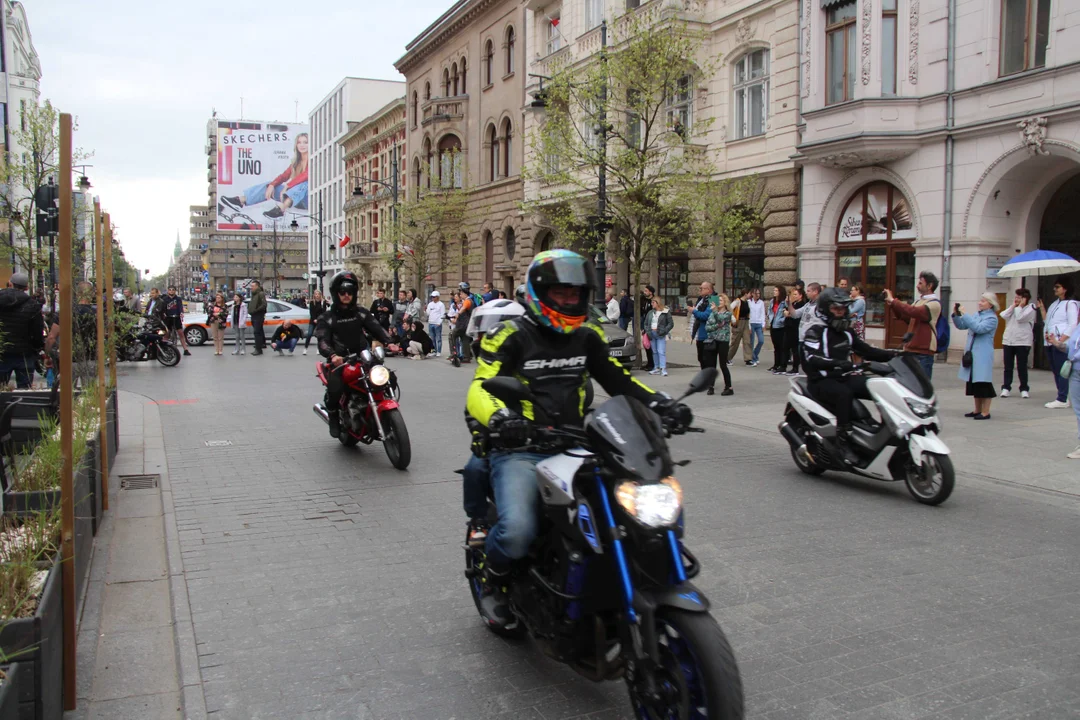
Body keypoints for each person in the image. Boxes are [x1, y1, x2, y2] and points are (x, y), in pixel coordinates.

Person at [465, 249, 681, 629]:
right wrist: (502, 417)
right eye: (560, 293)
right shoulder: (509, 335)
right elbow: (480, 388)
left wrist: (661, 404)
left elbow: (619, 381)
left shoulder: (587, 335)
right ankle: (493, 582)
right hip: (522, 448)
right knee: (517, 531)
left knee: (643, 511)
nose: (569, 300)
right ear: (538, 292)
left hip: (579, 444)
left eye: (576, 294)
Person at [802, 288, 896, 464]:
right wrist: (837, 363)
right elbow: (811, 358)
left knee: (876, 385)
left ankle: (887, 429)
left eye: (843, 309)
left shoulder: (847, 332)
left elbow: (866, 351)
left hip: (844, 376)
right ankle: (842, 443)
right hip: (822, 381)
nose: (840, 312)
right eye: (836, 309)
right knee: (843, 394)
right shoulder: (815, 332)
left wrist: (894, 354)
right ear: (825, 309)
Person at [316, 271, 392, 438]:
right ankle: (334, 416)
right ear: (336, 294)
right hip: (341, 361)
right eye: (342, 292)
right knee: (335, 387)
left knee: (388, 377)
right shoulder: (327, 318)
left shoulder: (361, 313)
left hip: (364, 357)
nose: (346, 295)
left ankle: (382, 406)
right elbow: (322, 340)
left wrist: (390, 342)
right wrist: (332, 355)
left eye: (349, 292)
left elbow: (376, 328)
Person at [219, 132, 309, 219]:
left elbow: (306, 175)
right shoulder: (295, 163)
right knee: (270, 185)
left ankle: (280, 210)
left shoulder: (314, 160)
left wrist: (287, 186)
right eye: (299, 142)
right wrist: (272, 185)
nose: (302, 145)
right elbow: (284, 176)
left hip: (308, 200)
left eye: (305, 142)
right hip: (294, 199)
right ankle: (240, 201)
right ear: (296, 145)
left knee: (305, 183)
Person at [885, 271, 942, 379]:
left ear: (930, 286)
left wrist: (894, 301)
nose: (917, 286)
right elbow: (906, 316)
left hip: (923, 352)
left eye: (920, 283)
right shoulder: (918, 301)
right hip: (911, 349)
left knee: (922, 386)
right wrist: (893, 306)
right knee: (910, 384)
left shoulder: (934, 304)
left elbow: (913, 311)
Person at [953, 293, 1001, 420]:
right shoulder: (977, 315)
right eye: (980, 300)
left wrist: (965, 315)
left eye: (983, 301)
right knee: (974, 382)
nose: (980, 303)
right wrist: (957, 315)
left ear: (991, 304)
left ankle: (986, 411)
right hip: (972, 353)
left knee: (983, 383)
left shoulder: (992, 318)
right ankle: (977, 410)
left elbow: (978, 328)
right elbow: (962, 325)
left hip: (982, 354)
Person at [1040, 276, 1079, 409]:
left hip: (1061, 343)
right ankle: (1063, 395)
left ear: (1065, 289)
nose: (1054, 289)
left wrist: (1060, 340)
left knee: (1062, 370)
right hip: (1050, 342)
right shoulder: (1054, 304)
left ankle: (1062, 397)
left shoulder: (1071, 304)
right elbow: (1050, 322)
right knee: (1056, 370)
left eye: (1057, 287)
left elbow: (1073, 324)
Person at [0, 273, 44, 388]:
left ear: (10, 284)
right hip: (25, 352)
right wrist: (38, 348)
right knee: (25, 389)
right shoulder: (32, 305)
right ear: (26, 288)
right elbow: (37, 331)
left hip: (2, 351)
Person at [1049, 322, 1080, 458]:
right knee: (1079, 409)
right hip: (1075, 371)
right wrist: (1057, 343)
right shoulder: (1078, 327)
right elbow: (1071, 348)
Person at [693, 293, 733, 395]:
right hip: (712, 340)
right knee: (711, 364)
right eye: (718, 300)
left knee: (723, 364)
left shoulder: (728, 314)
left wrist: (716, 318)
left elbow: (721, 320)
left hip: (723, 341)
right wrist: (717, 326)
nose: (718, 303)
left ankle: (729, 387)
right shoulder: (712, 312)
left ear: (725, 303)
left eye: (721, 301)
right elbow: (708, 327)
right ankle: (711, 386)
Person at [1000, 287, 1035, 398]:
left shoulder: (1031, 308)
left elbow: (1020, 318)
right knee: (1008, 366)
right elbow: (1003, 315)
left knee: (1022, 366)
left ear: (1025, 299)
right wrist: (1013, 306)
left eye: (1019, 297)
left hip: (1022, 341)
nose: (1016, 299)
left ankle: (1024, 388)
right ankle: (1006, 387)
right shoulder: (1014, 308)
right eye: (1016, 297)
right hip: (1009, 341)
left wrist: (1019, 306)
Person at [452, 282, 483, 363]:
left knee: (452, 335)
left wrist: (458, 314)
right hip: (468, 324)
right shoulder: (470, 300)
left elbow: (464, 308)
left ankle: (454, 354)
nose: (460, 294)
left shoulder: (467, 301)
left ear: (463, 292)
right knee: (465, 339)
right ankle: (466, 357)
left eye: (460, 292)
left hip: (463, 325)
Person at [644, 297, 673, 376]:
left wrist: (664, 330)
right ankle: (656, 368)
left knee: (661, 351)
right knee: (654, 352)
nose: (652, 304)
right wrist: (648, 331)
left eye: (653, 302)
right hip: (652, 334)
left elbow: (670, 323)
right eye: (651, 302)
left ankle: (663, 368)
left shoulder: (665, 312)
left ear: (658, 303)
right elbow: (646, 323)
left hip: (660, 334)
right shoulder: (650, 312)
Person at [781, 287, 805, 376]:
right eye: (793, 294)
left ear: (800, 296)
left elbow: (796, 314)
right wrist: (785, 311)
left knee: (795, 349)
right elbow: (785, 309)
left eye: (795, 294)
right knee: (785, 347)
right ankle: (783, 366)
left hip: (795, 328)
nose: (793, 296)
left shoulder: (802, 304)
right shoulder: (792, 303)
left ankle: (795, 368)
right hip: (788, 327)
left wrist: (789, 313)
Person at [163, 287, 191, 356]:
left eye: (173, 290)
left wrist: (181, 313)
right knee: (167, 333)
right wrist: (164, 314)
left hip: (176, 317)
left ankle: (185, 349)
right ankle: (163, 348)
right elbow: (163, 308)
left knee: (181, 333)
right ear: (168, 291)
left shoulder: (178, 299)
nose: (171, 291)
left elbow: (180, 307)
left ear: (175, 291)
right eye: (170, 290)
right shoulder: (165, 299)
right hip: (168, 318)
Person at [727, 288, 753, 366]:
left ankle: (748, 359)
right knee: (735, 342)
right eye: (749, 293)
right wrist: (733, 319)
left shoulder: (747, 302)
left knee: (747, 341)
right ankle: (727, 357)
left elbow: (748, 315)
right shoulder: (737, 301)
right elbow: (729, 309)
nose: (750, 295)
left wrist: (749, 326)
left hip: (745, 322)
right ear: (745, 294)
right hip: (738, 322)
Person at [766, 285, 788, 374]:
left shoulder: (784, 302)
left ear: (780, 292)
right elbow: (769, 311)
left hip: (781, 326)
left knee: (781, 346)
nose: (774, 292)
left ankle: (782, 365)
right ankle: (776, 364)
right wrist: (770, 318)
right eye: (774, 290)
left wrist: (782, 320)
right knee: (776, 346)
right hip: (773, 324)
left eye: (776, 290)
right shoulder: (772, 301)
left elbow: (787, 313)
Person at [247, 281, 267, 355]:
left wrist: (256, 310)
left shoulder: (260, 294)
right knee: (258, 331)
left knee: (257, 332)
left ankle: (258, 349)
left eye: (252, 286)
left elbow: (264, 304)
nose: (251, 287)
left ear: (257, 286)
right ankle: (260, 345)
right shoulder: (254, 294)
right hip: (254, 315)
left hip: (258, 315)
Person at [304, 290, 327, 355]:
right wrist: (314, 319)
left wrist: (323, 304)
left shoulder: (323, 302)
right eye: (316, 294)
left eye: (318, 294)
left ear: (320, 295)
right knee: (309, 334)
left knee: (319, 335)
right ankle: (305, 348)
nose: (317, 295)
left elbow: (323, 312)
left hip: (320, 321)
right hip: (313, 320)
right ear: (314, 295)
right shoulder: (312, 302)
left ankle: (318, 349)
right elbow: (311, 312)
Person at [747, 287, 765, 366]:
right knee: (751, 342)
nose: (758, 295)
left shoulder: (761, 302)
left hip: (758, 323)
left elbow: (762, 313)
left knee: (761, 341)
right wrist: (749, 326)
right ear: (752, 294)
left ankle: (755, 354)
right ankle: (753, 358)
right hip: (751, 323)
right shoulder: (748, 302)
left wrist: (763, 324)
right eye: (756, 293)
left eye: (759, 293)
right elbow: (747, 315)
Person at [639, 285, 656, 371]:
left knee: (651, 346)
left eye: (646, 291)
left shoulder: (654, 301)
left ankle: (653, 364)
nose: (644, 292)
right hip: (644, 325)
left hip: (652, 326)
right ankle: (649, 363)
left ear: (651, 292)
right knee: (646, 345)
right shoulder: (643, 299)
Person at [426, 290, 445, 356]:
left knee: (438, 338)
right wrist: (426, 310)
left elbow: (442, 314)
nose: (433, 298)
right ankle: (433, 351)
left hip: (437, 323)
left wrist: (439, 322)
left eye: (434, 297)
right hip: (431, 323)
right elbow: (428, 313)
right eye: (432, 297)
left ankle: (439, 351)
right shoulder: (430, 304)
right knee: (432, 338)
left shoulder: (441, 304)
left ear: (437, 297)